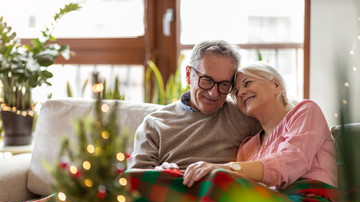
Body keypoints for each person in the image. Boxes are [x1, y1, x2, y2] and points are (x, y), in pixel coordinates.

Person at [182, 61, 338, 190]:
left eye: (247, 83)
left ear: (276, 85)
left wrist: (227, 168)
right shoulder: (247, 148)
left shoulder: (306, 111)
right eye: (235, 93)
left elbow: (289, 163)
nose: (241, 93)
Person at [128, 40, 260, 170]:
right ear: (188, 75)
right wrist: (159, 174)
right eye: (207, 80)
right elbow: (137, 179)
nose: (213, 93)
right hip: (172, 187)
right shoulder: (155, 124)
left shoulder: (244, 116)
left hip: (223, 188)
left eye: (224, 84)